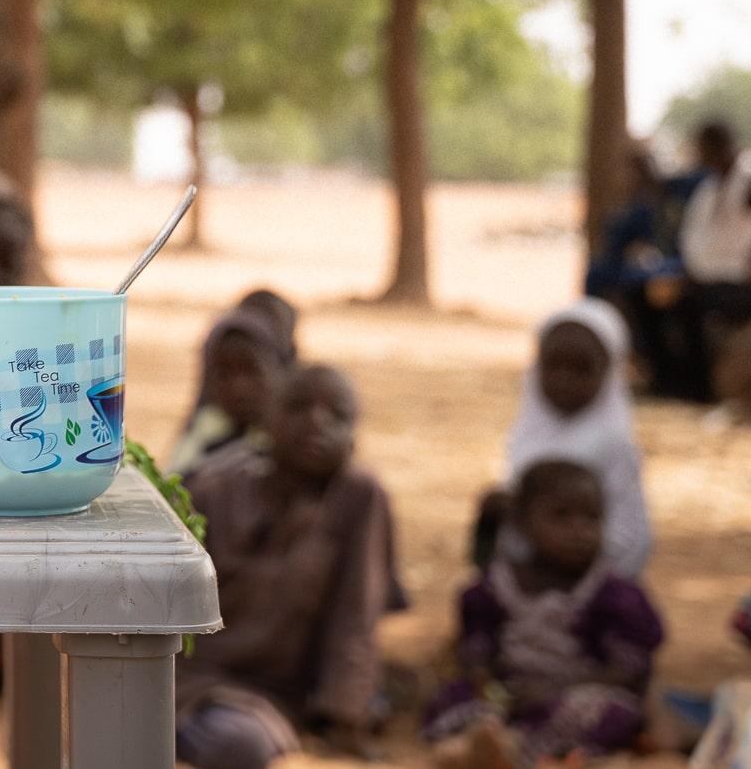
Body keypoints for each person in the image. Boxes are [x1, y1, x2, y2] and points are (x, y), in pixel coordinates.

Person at [175, 365, 396, 769]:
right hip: (188, 676)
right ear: (267, 416)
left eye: (338, 415)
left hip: (268, 696)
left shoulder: (358, 497)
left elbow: (357, 612)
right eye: (298, 407)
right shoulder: (214, 487)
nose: (316, 422)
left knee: (239, 743)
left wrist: (346, 715)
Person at [425, 460, 665, 768]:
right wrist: (487, 682)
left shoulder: (613, 594)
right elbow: (476, 648)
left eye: (592, 518)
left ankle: (512, 750)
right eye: (561, 517)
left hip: (575, 692)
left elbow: (629, 670)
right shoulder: (497, 585)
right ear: (522, 523)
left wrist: (556, 690)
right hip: (509, 694)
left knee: (604, 711)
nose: (579, 531)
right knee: (462, 697)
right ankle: (476, 743)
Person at [487, 299, 652, 578]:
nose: (564, 379)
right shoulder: (526, 433)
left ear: (608, 372)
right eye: (554, 366)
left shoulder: (613, 443)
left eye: (581, 369)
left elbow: (633, 536)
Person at [585, 145, 689, 389]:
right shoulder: (631, 203)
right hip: (622, 268)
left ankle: (642, 357)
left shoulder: (652, 205)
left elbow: (659, 243)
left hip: (647, 267)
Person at [167, 291, 298, 479]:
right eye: (223, 374)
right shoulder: (203, 438)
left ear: (280, 369)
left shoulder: (301, 451)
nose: (238, 387)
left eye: (252, 371)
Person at [675, 120, 751, 401]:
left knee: (689, 304)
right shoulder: (710, 185)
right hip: (706, 275)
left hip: (736, 281)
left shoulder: (746, 180)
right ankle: (678, 382)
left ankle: (702, 389)